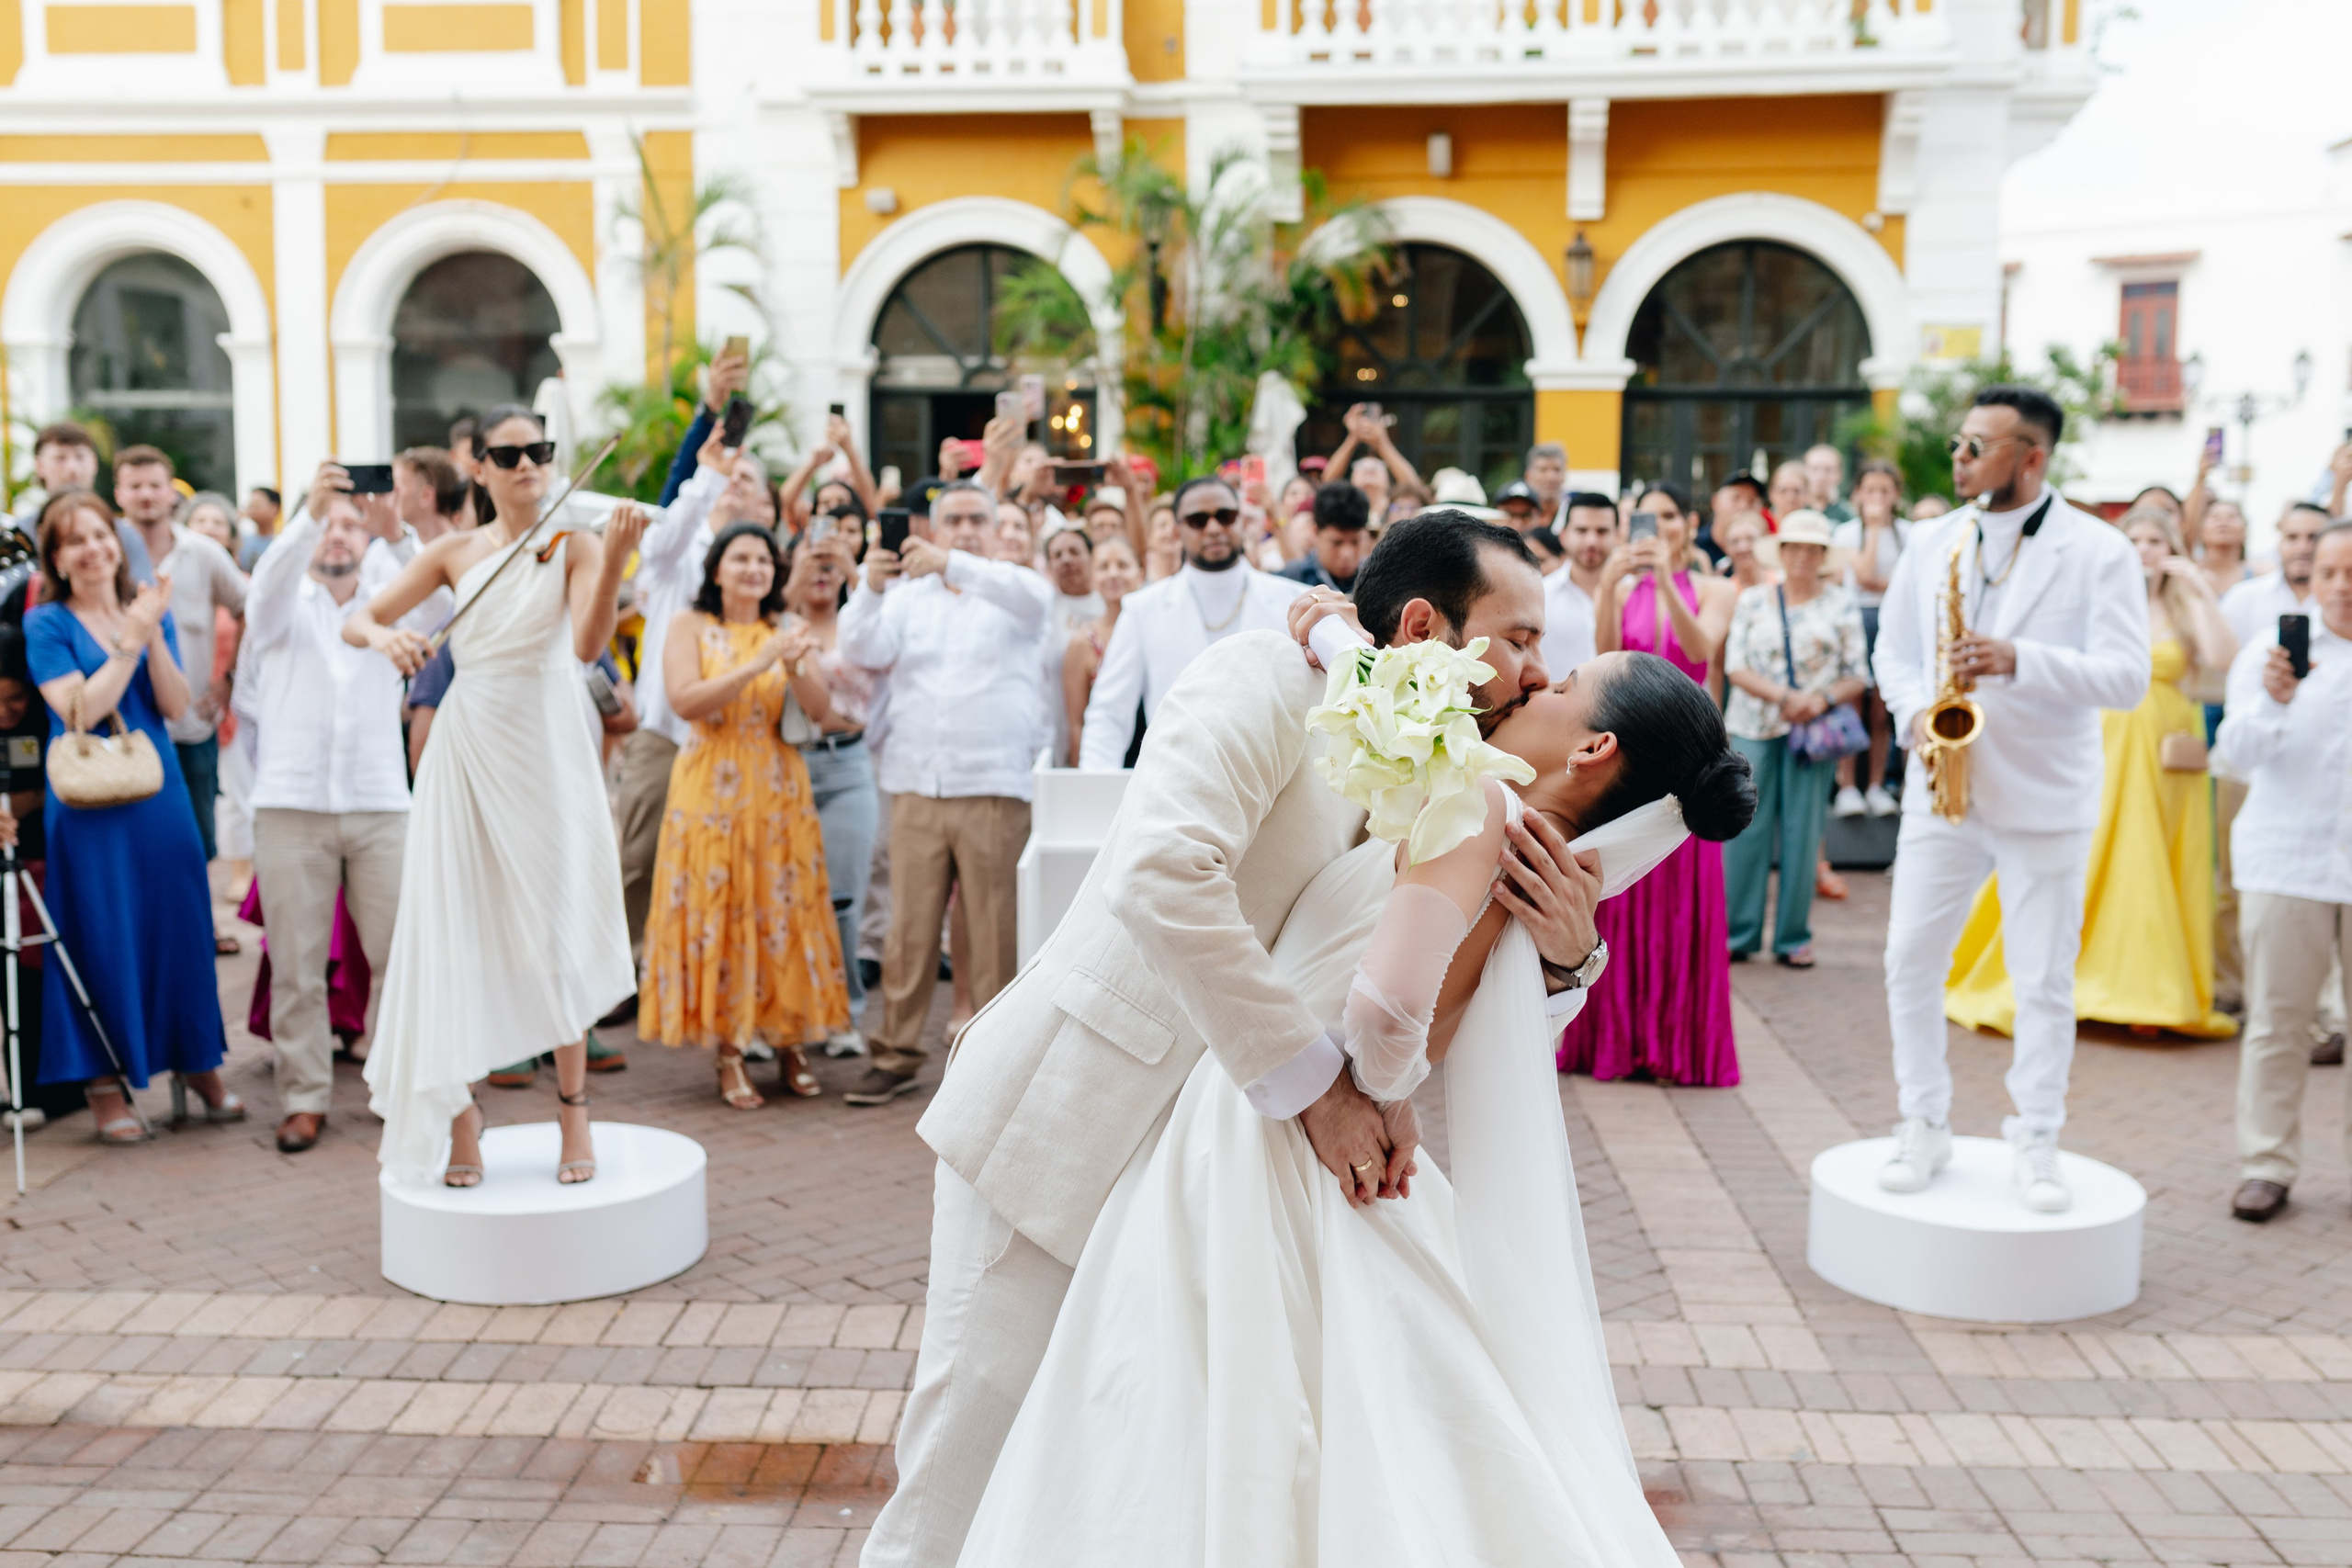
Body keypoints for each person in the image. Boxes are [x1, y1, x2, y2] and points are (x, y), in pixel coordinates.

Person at [872, 511, 1738, 1568]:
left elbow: (1424, 990)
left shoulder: (1454, 776)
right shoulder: (1265, 678)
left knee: (1137, 1491)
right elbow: (1163, 874)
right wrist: (1318, 1086)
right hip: (1077, 1127)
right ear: (1426, 625)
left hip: (1227, 1175)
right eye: (1516, 641)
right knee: (971, 1466)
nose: (1531, 672)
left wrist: (1560, 961)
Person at [345, 405, 642, 1188]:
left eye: (538, 451)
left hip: (548, 740)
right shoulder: (451, 551)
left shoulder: (574, 542)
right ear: (477, 466)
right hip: (469, 743)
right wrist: (387, 640)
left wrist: (612, 561)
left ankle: (573, 1111)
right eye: (507, 454)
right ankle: (462, 1120)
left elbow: (584, 645)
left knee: (561, 922)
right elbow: (360, 618)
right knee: (457, 929)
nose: (525, 465)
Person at [1873, 387, 2150, 1213]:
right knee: (1908, 961)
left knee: (2042, 978)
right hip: (1943, 786)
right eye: (1958, 442)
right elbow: (1893, 649)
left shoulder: (2100, 551)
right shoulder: (1931, 541)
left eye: (1977, 445)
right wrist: (1920, 711)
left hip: (2044, 795)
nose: (1957, 457)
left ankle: (2037, 1136)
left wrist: (2020, 658)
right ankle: (1923, 1120)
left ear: (2031, 458)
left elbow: (2128, 677)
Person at [1943, 503, 2237, 1040]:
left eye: (2157, 541)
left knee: (2152, 863)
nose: (2146, 550)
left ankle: (2152, 991)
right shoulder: (2101, 601)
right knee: (2094, 857)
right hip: (2099, 747)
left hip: (2163, 759)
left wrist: (2197, 585)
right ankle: (2074, 980)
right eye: (2136, 540)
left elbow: (2223, 656)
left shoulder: (2181, 605)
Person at [23, 491, 241, 1142]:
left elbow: (175, 706)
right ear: (57, 557)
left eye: (100, 534)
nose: (93, 548)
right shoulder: (47, 623)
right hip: (88, 804)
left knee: (180, 927)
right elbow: (78, 710)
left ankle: (197, 1062)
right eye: (75, 540)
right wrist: (128, 641)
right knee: (96, 933)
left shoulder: (146, 607)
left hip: (158, 792)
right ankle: (102, 1084)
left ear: (118, 543)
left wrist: (152, 630)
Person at [837, 479, 1051, 1107]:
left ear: (992, 526)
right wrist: (872, 586)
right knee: (908, 931)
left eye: (975, 518)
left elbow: (1032, 596)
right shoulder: (907, 598)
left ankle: (995, 1063)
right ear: (930, 526)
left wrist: (955, 564)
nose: (963, 527)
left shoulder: (1014, 590)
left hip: (992, 783)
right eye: (951, 518)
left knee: (992, 931)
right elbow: (859, 646)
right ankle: (896, 1054)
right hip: (917, 782)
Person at [640, 522, 850, 1106]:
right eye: (741, 558)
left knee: (784, 911)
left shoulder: (784, 628)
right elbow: (686, 701)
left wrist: (796, 662)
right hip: (710, 793)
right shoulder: (691, 625)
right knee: (725, 910)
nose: (754, 568)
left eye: (763, 559)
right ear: (716, 569)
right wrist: (757, 664)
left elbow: (820, 709)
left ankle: (790, 1040)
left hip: (780, 792)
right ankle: (729, 1049)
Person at [243, 469, 419, 1154]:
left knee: (400, 955)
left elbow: (436, 608)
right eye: (328, 524)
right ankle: (304, 1095)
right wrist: (310, 516)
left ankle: (403, 1086)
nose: (339, 533)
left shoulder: (389, 596)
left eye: (351, 522)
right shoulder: (285, 601)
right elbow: (262, 596)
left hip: (380, 802)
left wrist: (396, 528)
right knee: (296, 961)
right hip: (291, 804)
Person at [1570, 480, 1741, 1086]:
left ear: (1688, 523)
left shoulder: (1717, 588)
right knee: (1624, 901)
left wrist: (1667, 580)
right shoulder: (1617, 586)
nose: (1657, 529)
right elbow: (1608, 662)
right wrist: (1615, 590)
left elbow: (1702, 651)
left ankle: (1677, 1046)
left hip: (1692, 759)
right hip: (1631, 762)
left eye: (1667, 517)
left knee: (1681, 909)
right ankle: (1617, 1041)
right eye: (1645, 519)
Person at [2215, 522, 2352, 1224]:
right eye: (2329, 572)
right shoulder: (2273, 651)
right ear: (2310, 577)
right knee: (2276, 1021)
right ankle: (2266, 1164)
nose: (2341, 586)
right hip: (2287, 859)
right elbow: (2235, 754)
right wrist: (2275, 697)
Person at [614, 421, 756, 983]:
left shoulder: (758, 559)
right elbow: (663, 536)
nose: (736, 482)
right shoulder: (678, 550)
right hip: (666, 729)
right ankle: (626, 971)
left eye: (746, 477)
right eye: (730, 474)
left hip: (731, 739)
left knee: (722, 863)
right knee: (639, 858)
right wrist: (707, 471)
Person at [1720, 511, 1868, 967]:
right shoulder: (1754, 601)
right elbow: (1735, 665)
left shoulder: (1841, 603)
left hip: (1813, 731)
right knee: (1745, 830)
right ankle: (1737, 934)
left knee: (1805, 833)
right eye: (1794, 547)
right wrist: (1786, 695)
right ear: (1781, 553)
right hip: (1753, 725)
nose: (1803, 555)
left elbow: (1857, 673)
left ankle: (1792, 937)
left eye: (1812, 548)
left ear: (1823, 556)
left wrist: (1818, 701)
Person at [1077, 477, 1306, 769]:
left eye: (1225, 516)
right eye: (1198, 520)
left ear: (1241, 521)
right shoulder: (1143, 609)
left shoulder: (1292, 600)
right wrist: (1096, 795)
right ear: (1177, 530)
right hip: (1177, 788)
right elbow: (1108, 716)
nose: (1213, 528)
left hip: (1275, 786)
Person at [2215, 502, 2332, 1019]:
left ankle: (2327, 1013)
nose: (2302, 548)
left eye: (2313, 538)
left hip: (2325, 783)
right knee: (2234, 884)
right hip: (2251, 765)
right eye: (2293, 537)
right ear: (2279, 541)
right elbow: (2222, 668)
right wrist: (2270, 693)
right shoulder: (2248, 601)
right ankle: (2234, 989)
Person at [115, 446, 247, 876]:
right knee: (133, 841)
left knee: (196, 839)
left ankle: (200, 928)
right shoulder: (107, 551)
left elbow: (249, 608)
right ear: (119, 493)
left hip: (191, 724)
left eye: (155, 485)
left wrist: (229, 679)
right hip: (123, 725)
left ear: (172, 493)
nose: (146, 495)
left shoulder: (204, 553)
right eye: (135, 486)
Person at [783, 523, 878, 1056]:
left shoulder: (858, 622)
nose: (820, 573)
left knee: (841, 895)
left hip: (848, 766)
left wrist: (850, 567)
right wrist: (794, 579)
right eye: (810, 562)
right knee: (781, 894)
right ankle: (784, 1013)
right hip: (787, 764)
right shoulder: (778, 621)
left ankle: (845, 1012)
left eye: (829, 566)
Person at [1831, 458, 1908, 818]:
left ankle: (1876, 784)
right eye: (1870, 490)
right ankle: (1848, 786)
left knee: (1881, 709)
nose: (1877, 497)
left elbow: (1909, 586)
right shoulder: (1847, 534)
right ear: (1858, 494)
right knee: (1852, 705)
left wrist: (1886, 585)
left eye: (1884, 490)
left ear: (1896, 494)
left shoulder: (1908, 534)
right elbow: (1862, 575)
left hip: (1892, 622)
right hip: (1854, 620)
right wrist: (1874, 530)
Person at [1060, 535, 1142, 766]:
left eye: (1123, 565)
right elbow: (1077, 724)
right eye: (1104, 567)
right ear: (1093, 577)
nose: (1113, 574)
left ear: (1140, 573)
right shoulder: (1083, 642)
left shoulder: (1159, 630)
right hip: (1107, 764)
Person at [1541, 491, 1617, 676]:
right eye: (1581, 530)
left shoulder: (1634, 592)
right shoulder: (1541, 594)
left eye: (1602, 531)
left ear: (1618, 535)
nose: (1591, 541)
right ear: (1564, 536)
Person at [1275, 479, 1369, 592]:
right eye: (1337, 543)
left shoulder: (1375, 580)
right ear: (1315, 532)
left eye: (1355, 542)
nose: (1346, 553)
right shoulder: (1292, 578)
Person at [393, 447, 469, 547]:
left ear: (426, 496)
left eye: (398, 485)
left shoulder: (465, 549)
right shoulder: (382, 550)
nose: (392, 493)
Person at [1804, 443, 1854, 522]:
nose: (1821, 477)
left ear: (1839, 475)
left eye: (1828, 470)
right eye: (1815, 469)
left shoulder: (1847, 514)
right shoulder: (1795, 508)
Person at [237, 487, 283, 570]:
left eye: (257, 505)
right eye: (250, 505)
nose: (252, 509)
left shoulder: (282, 541)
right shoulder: (242, 541)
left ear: (274, 508)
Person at [1767, 458, 1809, 525]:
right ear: (1771, 494)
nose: (1790, 497)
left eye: (1796, 491)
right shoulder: (1762, 525)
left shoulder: (1816, 526)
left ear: (1807, 494)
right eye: (1783, 491)